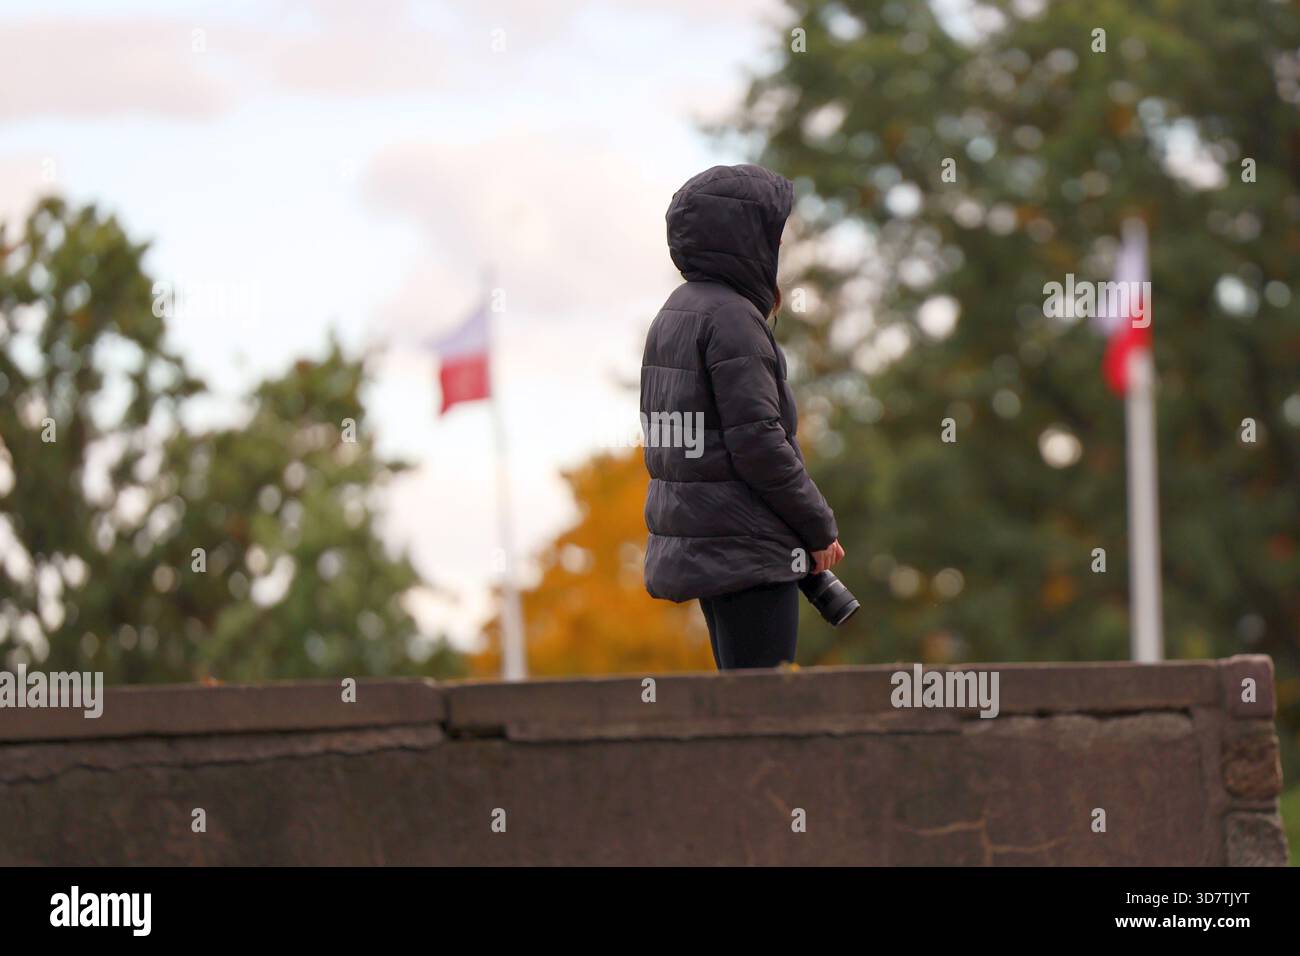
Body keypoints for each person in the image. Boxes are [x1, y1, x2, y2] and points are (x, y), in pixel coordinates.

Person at [640, 164, 844, 670]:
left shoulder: (676, 313)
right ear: (744, 238)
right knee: (768, 714)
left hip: (713, 544)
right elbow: (759, 442)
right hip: (747, 550)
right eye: (772, 234)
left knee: (741, 705)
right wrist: (818, 528)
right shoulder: (733, 319)